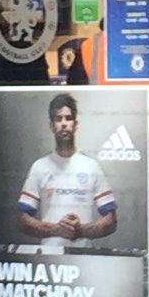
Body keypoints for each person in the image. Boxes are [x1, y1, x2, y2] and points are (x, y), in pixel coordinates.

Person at [16, 93, 117, 249]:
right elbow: (23, 221)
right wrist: (57, 229)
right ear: (51, 125)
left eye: (68, 118)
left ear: (75, 124)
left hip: (85, 258)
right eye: (58, 118)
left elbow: (111, 221)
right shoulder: (39, 167)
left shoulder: (91, 166)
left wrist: (80, 230)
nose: (64, 123)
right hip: (50, 259)